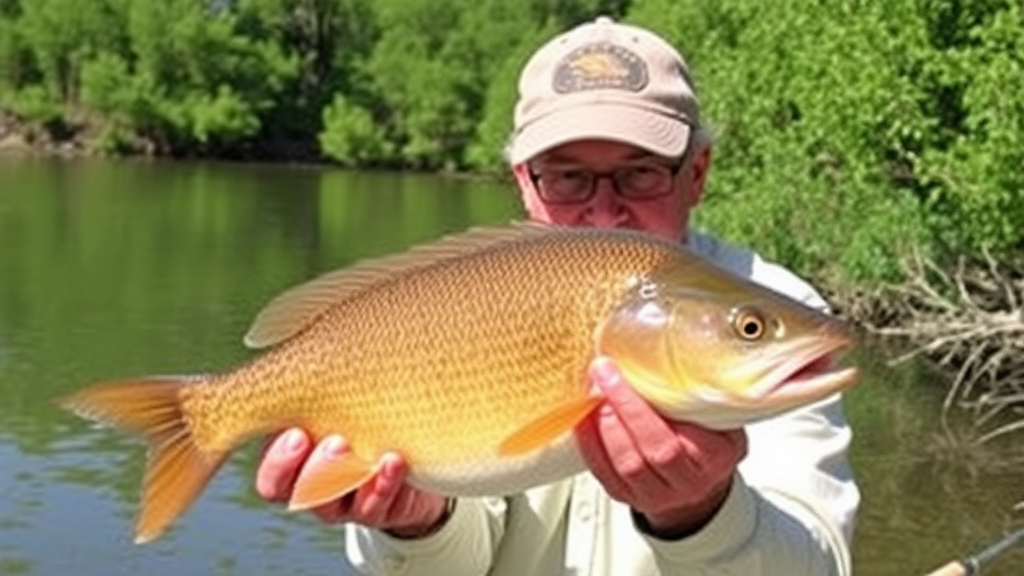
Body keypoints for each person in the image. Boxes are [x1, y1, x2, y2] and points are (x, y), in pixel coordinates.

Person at [255, 16, 859, 576]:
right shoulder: (464, 295)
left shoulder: (776, 303)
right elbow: (462, 563)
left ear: (696, 171)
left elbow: (822, 560)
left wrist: (701, 516)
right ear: (524, 180)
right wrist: (419, 522)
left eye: (640, 171)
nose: (602, 211)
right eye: (568, 176)